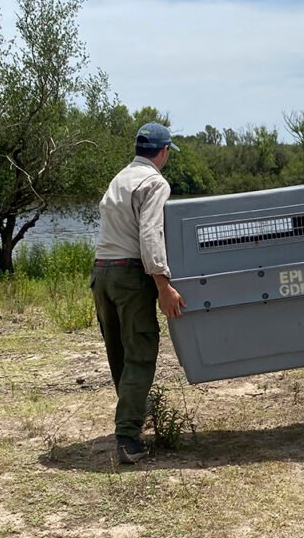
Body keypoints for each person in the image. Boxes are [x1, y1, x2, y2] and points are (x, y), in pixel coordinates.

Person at [91, 122, 186, 464]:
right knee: (141, 351)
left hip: (102, 272)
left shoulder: (120, 178)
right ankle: (128, 437)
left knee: (119, 352)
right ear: (164, 152)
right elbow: (150, 236)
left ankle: (130, 421)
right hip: (130, 274)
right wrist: (164, 286)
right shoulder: (155, 182)